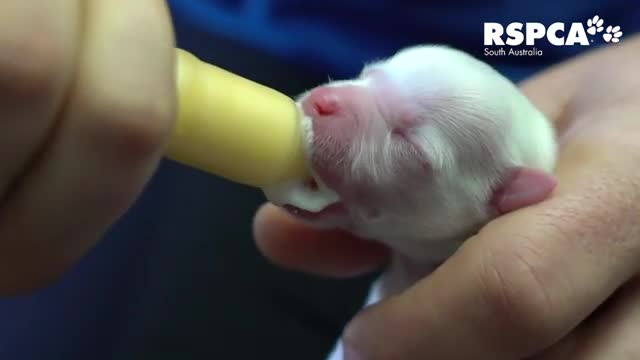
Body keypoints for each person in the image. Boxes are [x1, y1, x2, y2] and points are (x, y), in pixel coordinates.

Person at [0, 0, 638, 359]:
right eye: (368, 80)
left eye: (408, 144)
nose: (332, 103)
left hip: (566, 61)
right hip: (223, 23)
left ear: (504, 200)